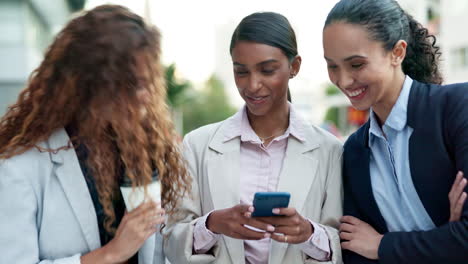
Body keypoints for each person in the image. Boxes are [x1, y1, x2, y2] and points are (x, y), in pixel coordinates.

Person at [0, 5, 190, 264]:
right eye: (131, 84)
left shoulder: (142, 150)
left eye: (148, 83)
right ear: (88, 84)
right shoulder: (19, 166)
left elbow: (156, 248)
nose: (146, 95)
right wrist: (110, 254)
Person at [164, 12, 343, 264]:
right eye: (241, 71)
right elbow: (170, 242)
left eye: (267, 70)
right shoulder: (197, 145)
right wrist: (212, 224)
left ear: (294, 66)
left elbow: (342, 244)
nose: (253, 85)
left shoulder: (330, 150)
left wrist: (308, 234)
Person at [322, 0, 468, 263]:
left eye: (355, 64)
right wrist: (444, 239)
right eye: (333, 66)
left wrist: (381, 245)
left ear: (397, 52)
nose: (343, 81)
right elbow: (355, 251)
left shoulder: (458, 109)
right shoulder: (354, 151)